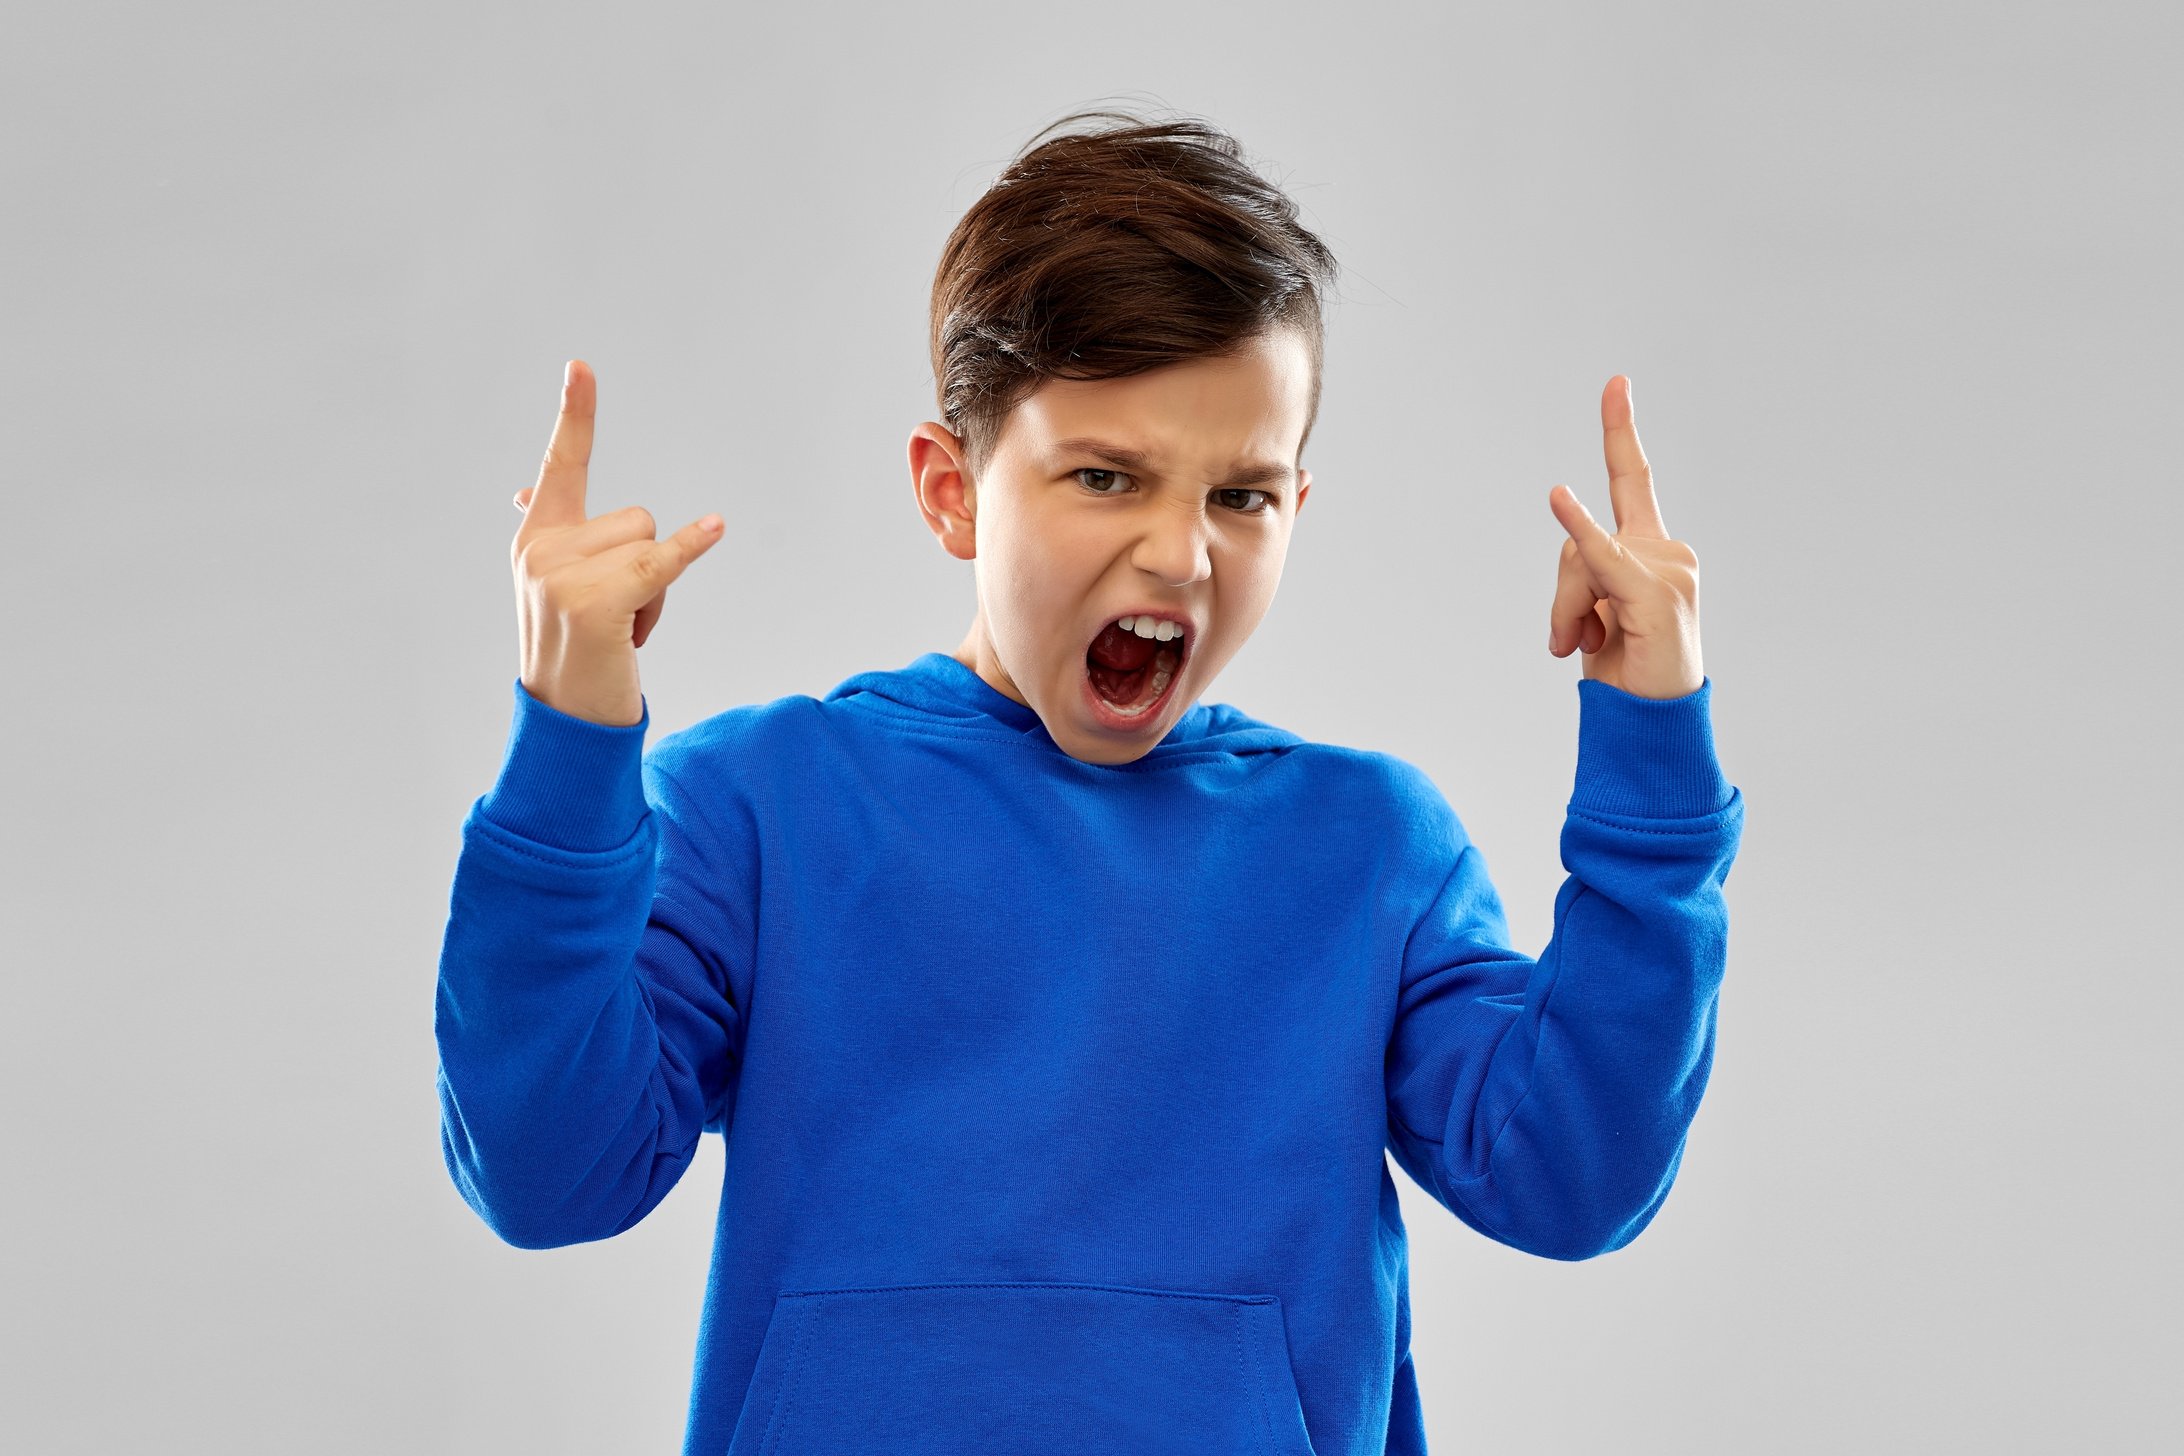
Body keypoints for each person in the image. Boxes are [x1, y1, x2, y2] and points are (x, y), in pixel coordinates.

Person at [435, 108, 1744, 1456]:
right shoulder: (758, 808)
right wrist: (570, 742)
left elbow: (1572, 1174)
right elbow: (547, 1171)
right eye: (1107, 475)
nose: (1181, 553)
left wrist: (1652, 750)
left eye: (1242, 495)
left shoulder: (1369, 850)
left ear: (1299, 505)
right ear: (954, 492)